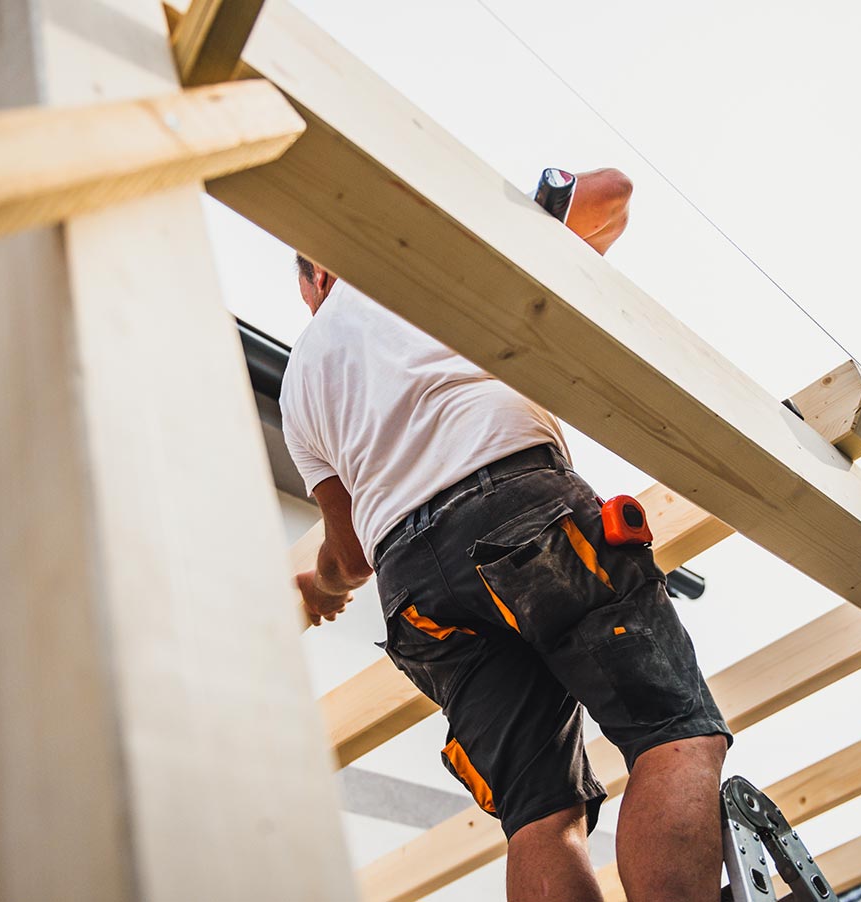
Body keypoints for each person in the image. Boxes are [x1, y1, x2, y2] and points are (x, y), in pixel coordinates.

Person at [281, 168, 732, 901]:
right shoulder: (415, 256)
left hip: (416, 594)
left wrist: (319, 585)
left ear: (310, 286)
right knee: (670, 731)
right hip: (517, 505)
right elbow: (609, 193)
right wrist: (545, 230)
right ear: (336, 250)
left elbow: (350, 553)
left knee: (538, 816)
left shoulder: (303, 376)